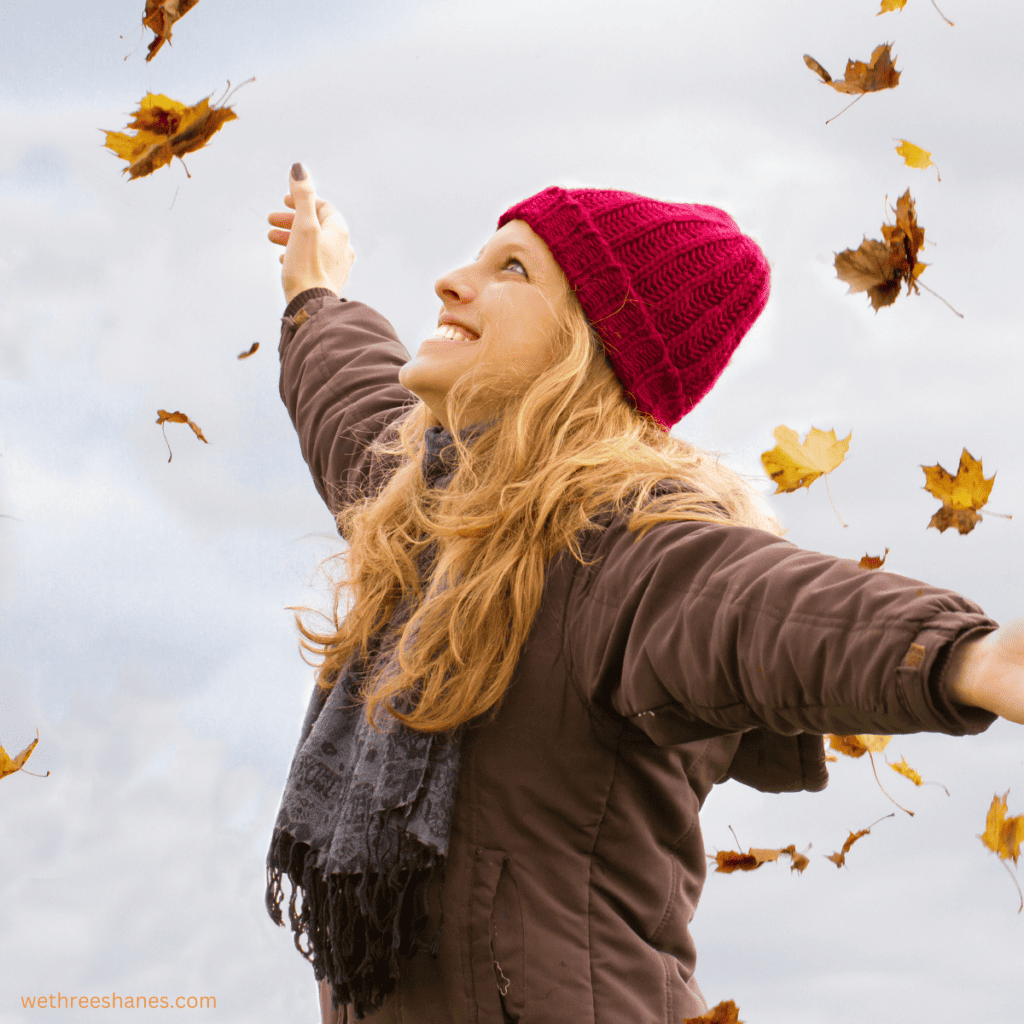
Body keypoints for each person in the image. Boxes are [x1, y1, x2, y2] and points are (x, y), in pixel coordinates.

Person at [264, 163, 1023, 1024]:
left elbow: (756, 608)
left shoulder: (621, 552)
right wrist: (315, 293)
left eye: (512, 269)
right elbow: (349, 395)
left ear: (589, 348)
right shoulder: (428, 515)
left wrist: (965, 654)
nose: (451, 281)